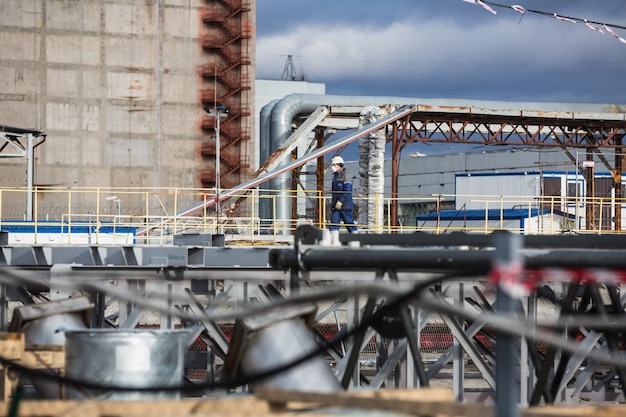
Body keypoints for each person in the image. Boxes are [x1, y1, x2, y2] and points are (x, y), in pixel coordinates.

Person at [329, 156, 358, 233]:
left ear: (339, 165)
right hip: (336, 206)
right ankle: (333, 241)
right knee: (333, 224)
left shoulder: (346, 175)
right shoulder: (335, 176)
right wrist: (334, 204)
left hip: (345, 206)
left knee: (349, 224)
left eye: (334, 165)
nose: (333, 167)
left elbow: (347, 190)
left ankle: (356, 239)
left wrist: (340, 201)